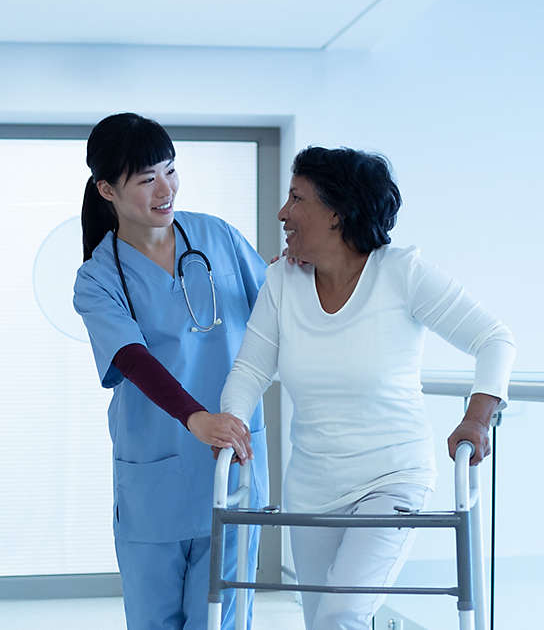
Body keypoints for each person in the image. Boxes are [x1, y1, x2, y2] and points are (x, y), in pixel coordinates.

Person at [220, 147, 516, 630]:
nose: (282, 213)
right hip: (312, 490)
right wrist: (232, 422)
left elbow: (494, 338)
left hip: (391, 477)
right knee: (325, 624)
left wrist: (478, 417)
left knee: (342, 616)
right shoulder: (281, 281)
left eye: (296, 198)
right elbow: (251, 370)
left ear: (336, 213)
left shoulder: (401, 272)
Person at [73, 112, 270, 630]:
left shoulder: (217, 236)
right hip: (155, 477)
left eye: (171, 170)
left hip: (232, 463)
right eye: (146, 179)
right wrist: (194, 417)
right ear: (106, 190)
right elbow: (130, 358)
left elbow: (276, 305)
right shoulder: (98, 277)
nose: (166, 189)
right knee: (154, 621)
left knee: (223, 621)